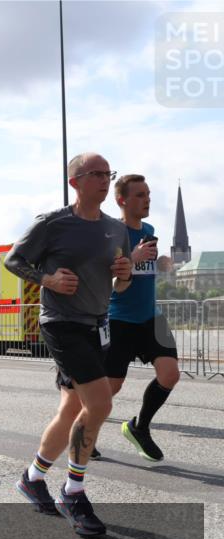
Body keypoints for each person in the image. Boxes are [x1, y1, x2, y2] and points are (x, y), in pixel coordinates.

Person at [5, 152, 132, 538]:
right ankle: (72, 491)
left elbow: (119, 284)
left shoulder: (116, 229)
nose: (105, 180)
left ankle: (32, 478)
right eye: (96, 173)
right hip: (62, 324)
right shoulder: (53, 223)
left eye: (108, 173)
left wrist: (125, 274)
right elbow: (12, 260)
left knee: (72, 408)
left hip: (98, 326)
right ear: (74, 181)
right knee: (100, 404)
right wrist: (48, 280)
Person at [105, 174, 180, 462]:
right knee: (111, 387)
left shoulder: (149, 230)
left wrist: (161, 264)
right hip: (119, 319)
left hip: (151, 317)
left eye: (148, 194)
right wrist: (133, 259)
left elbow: (146, 271)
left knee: (170, 374)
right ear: (122, 200)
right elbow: (106, 278)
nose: (147, 199)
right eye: (140, 195)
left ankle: (139, 427)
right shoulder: (113, 233)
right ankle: (84, 429)